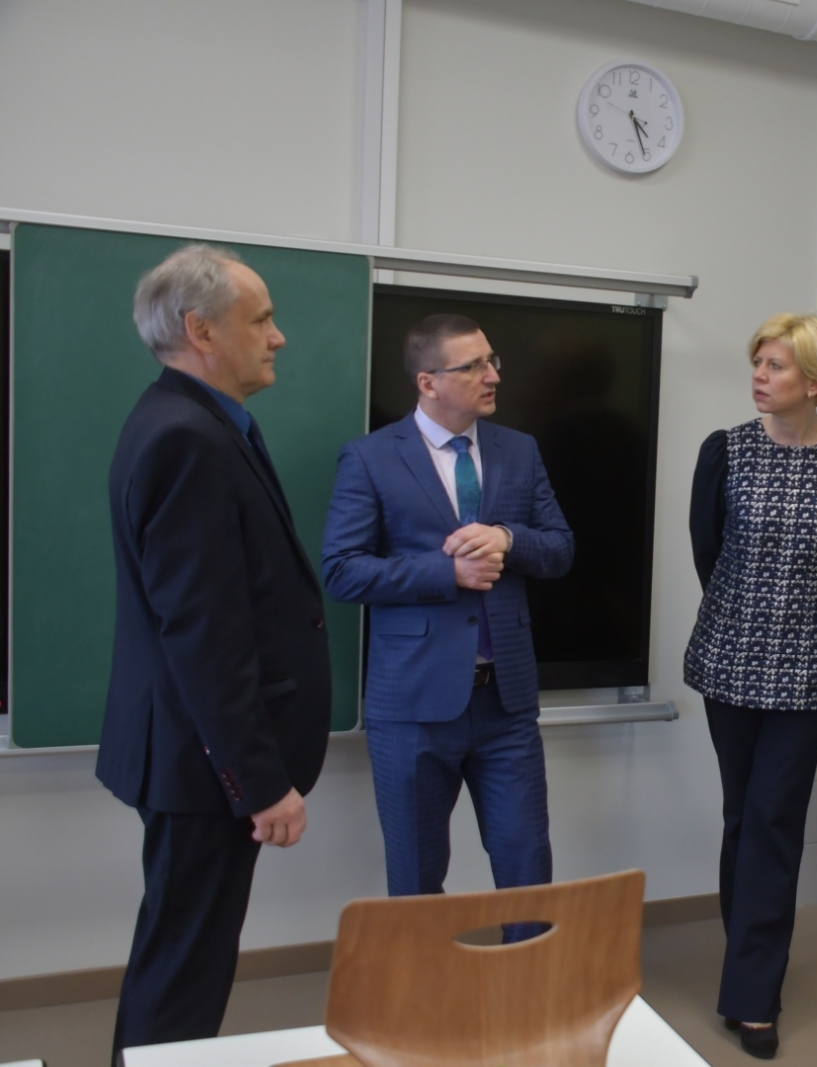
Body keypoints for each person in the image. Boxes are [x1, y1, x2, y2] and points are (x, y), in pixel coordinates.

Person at [100, 245, 333, 1063]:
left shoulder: (191, 420)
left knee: (181, 953)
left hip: (191, 755)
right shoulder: (186, 438)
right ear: (201, 331)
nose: (277, 337)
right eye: (260, 319)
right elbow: (205, 632)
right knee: (184, 969)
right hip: (202, 764)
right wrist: (258, 780)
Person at [685, 313, 817, 1060]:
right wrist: (750, 615)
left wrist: (800, 618)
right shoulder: (726, 449)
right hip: (729, 662)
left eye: (775, 365)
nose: (759, 376)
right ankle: (751, 955)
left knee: (774, 816)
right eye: (758, 362)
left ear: (816, 381)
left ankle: (753, 994)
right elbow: (708, 550)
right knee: (743, 816)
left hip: (808, 669)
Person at [322, 314, 574, 903]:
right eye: (474, 366)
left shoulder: (519, 450)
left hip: (505, 702)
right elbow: (342, 570)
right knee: (416, 876)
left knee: (527, 866)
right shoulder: (370, 458)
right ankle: (422, 972)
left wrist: (507, 538)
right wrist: (447, 572)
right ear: (427, 382)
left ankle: (528, 968)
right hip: (412, 703)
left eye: (492, 361)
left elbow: (560, 549)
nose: (493, 376)